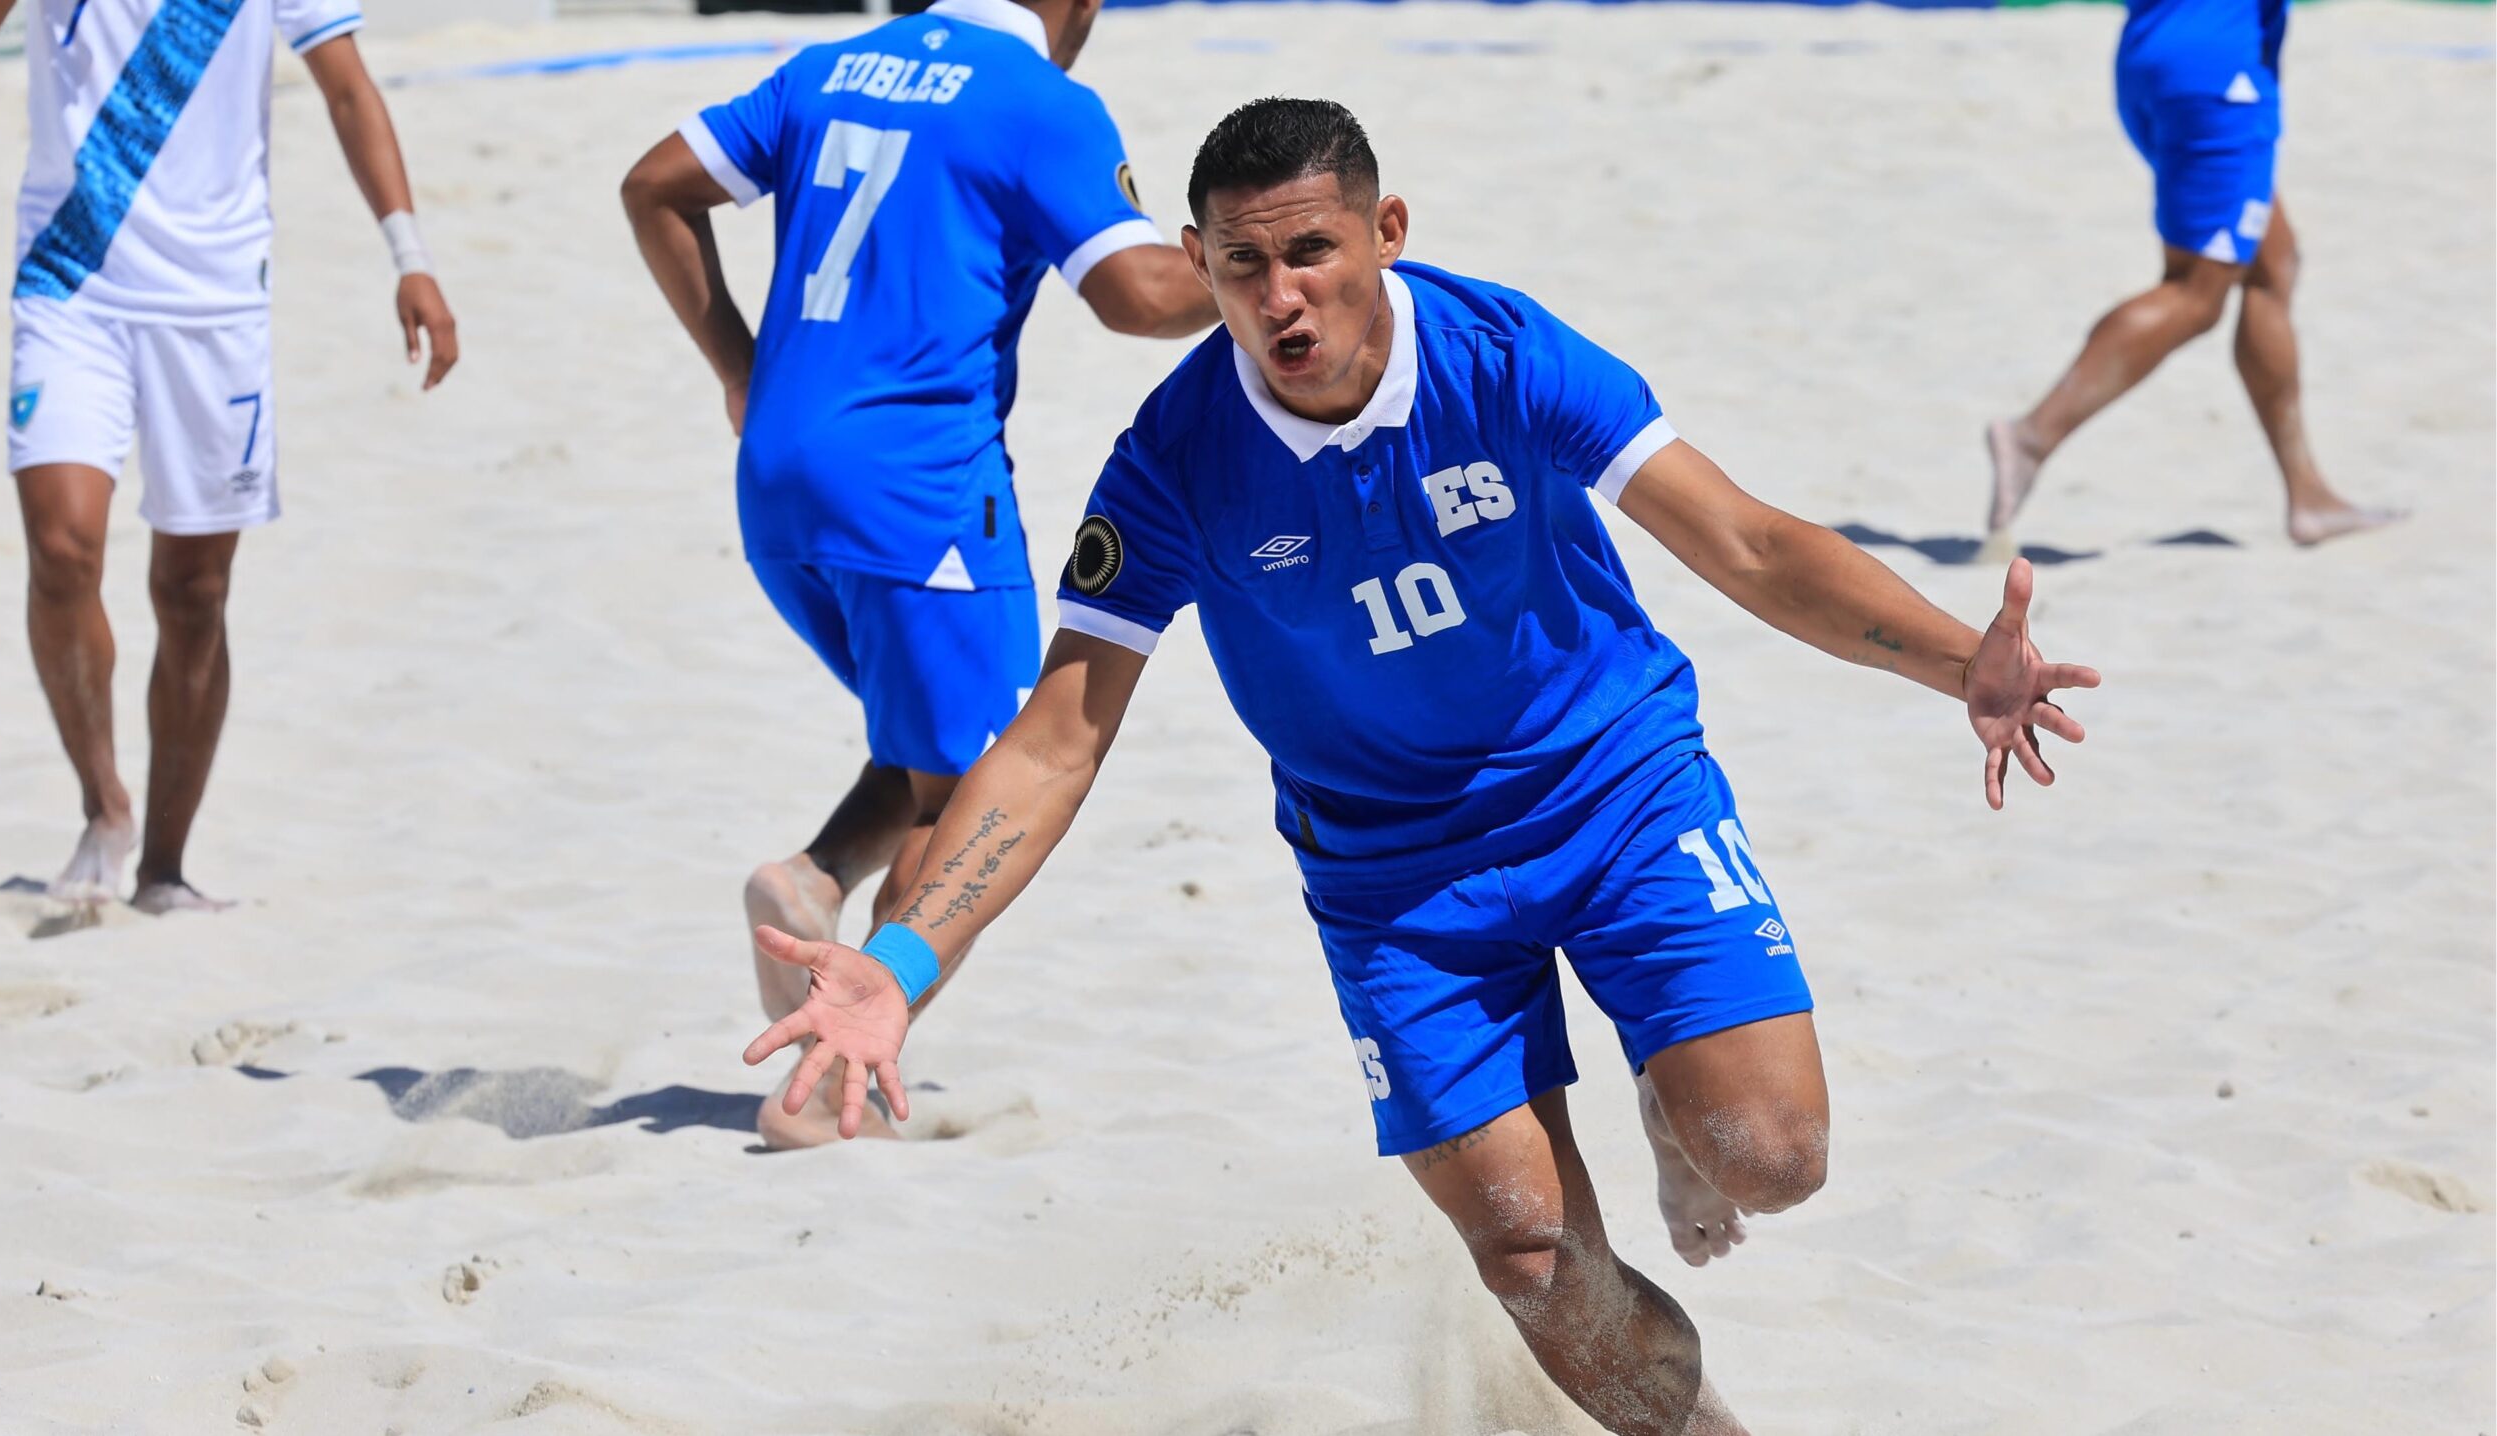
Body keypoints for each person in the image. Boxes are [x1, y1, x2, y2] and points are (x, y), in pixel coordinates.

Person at [740, 99, 2102, 1431]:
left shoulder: (1504, 357)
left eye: (1311, 251)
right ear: (1198, 265)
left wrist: (1957, 661)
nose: (1280, 297)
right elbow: (1057, 737)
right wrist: (901, 962)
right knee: (1529, 1255)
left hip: (1613, 789)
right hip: (1392, 877)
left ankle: (1667, 1095)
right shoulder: (1172, 461)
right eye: (1241, 263)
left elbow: (1744, 542)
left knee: (1773, 1157)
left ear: (1385, 230)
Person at [620, 0, 1216, 1148]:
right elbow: (1138, 296)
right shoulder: (1037, 99)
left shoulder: (830, 65)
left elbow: (652, 185)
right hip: (918, 495)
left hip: (777, 475)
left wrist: (739, 369)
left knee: (933, 733)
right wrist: (1269, 270)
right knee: (988, 785)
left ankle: (816, 873)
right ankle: (822, 1085)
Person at [0, 0, 459, 913]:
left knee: (193, 592)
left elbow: (347, 88)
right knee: (62, 550)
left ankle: (163, 871)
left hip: (216, 299)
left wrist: (408, 255)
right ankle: (104, 807)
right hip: (71, 278)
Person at [1985, 0, 2397, 548]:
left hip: (2154, 57)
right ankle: (2033, 435)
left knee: (2273, 262)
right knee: (2196, 291)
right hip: (2218, 78)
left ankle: (2309, 497)